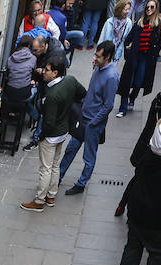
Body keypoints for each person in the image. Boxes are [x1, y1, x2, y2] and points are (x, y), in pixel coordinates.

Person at [21, 56, 85, 211]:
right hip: (63, 132)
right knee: (55, 165)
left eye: (47, 70)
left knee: (45, 168)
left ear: (55, 73)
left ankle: (39, 200)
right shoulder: (70, 80)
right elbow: (82, 92)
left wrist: (40, 137)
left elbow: (48, 123)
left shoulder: (52, 95)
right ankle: (51, 195)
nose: (44, 72)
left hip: (51, 136)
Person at [59, 41, 119, 195]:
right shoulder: (99, 68)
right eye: (96, 55)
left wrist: (94, 122)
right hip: (84, 117)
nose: (96, 58)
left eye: (99, 57)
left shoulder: (111, 76)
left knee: (89, 156)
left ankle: (81, 183)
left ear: (108, 57)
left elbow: (108, 105)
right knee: (71, 149)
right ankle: (57, 177)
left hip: (93, 123)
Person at [116, 0, 161, 116]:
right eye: (147, 7)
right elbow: (128, 39)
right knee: (127, 82)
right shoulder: (139, 23)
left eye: (152, 7)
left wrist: (155, 55)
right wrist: (128, 51)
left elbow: (160, 41)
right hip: (134, 56)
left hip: (146, 58)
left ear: (156, 8)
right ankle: (123, 108)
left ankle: (132, 98)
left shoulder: (159, 24)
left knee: (138, 83)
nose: (149, 10)